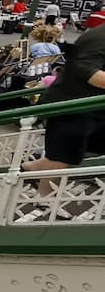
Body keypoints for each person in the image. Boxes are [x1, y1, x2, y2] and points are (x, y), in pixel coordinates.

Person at [23, 24, 105, 194]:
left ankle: (30, 170)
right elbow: (86, 70)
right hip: (73, 105)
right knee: (61, 158)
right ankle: (43, 200)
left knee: (67, 156)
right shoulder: (99, 37)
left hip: (90, 108)